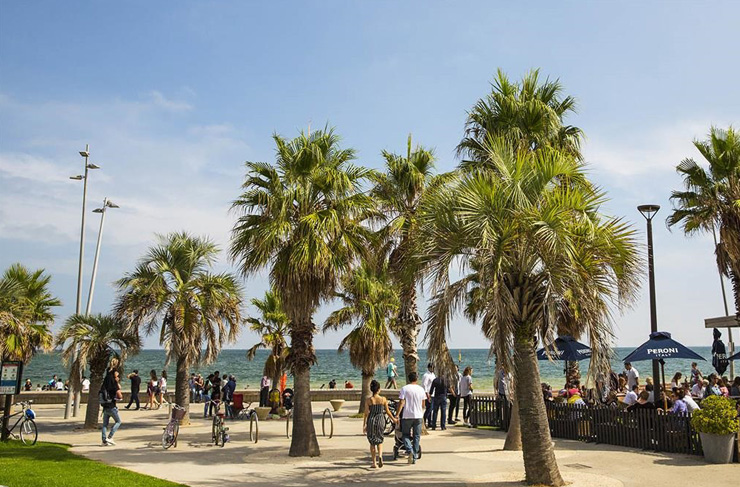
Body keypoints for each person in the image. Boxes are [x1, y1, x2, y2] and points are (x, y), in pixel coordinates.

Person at [363, 379, 396, 468]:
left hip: (371, 420)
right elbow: (388, 412)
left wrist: (364, 424)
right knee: (380, 440)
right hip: (381, 420)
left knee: (372, 442)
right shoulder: (383, 399)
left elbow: (366, 413)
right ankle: (380, 456)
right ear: (378, 389)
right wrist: (394, 419)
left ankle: (374, 463)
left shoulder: (369, 400)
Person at [395, 371, 426, 464]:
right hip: (418, 415)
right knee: (416, 436)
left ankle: (410, 450)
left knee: (405, 435)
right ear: (416, 379)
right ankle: (415, 455)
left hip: (407, 415)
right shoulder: (421, 389)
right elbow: (423, 404)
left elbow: (401, 402)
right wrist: (422, 412)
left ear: (409, 379)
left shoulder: (404, 388)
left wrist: (397, 414)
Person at [100, 365, 123, 446]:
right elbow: (119, 394)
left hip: (105, 406)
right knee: (118, 421)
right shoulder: (113, 382)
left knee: (105, 425)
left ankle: (104, 440)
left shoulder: (105, 382)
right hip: (112, 406)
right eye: (117, 372)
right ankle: (109, 437)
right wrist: (117, 383)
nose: (118, 374)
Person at [421, 363, 436, 428]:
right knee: (429, 408)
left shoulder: (433, 374)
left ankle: (430, 422)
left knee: (431, 409)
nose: (433, 369)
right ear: (429, 367)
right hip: (428, 394)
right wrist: (427, 394)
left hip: (433, 393)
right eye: (432, 367)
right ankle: (424, 420)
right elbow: (424, 385)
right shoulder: (426, 375)